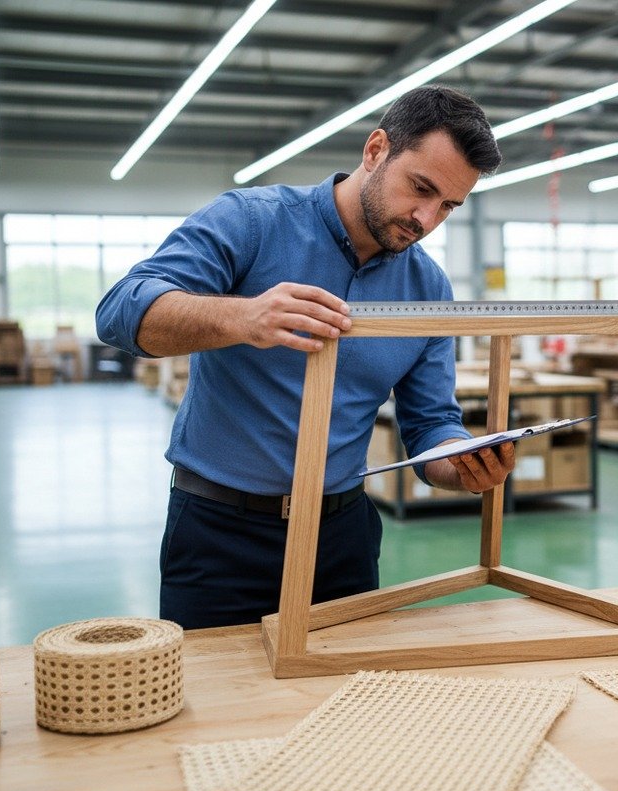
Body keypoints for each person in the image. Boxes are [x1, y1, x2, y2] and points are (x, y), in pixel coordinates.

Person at [96, 86, 516, 629]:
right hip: (220, 535)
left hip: (342, 541)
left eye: (448, 207)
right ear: (375, 150)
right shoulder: (250, 220)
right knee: (219, 708)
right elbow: (119, 313)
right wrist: (242, 319)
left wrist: (461, 465)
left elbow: (431, 423)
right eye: (421, 188)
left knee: (343, 709)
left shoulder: (427, 286)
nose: (426, 219)